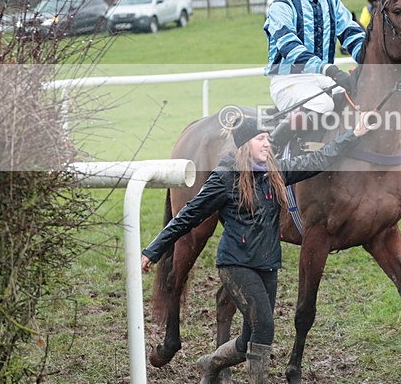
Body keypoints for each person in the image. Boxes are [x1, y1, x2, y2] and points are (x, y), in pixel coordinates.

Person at [141, 111, 375, 384]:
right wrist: (153, 251)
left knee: (249, 338)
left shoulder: (276, 171)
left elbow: (319, 159)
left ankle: (211, 362)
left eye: (267, 138)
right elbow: (188, 214)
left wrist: (354, 133)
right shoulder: (224, 179)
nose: (267, 143)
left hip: (268, 265)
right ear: (244, 145)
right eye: (261, 139)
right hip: (236, 265)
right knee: (265, 328)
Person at [264, 0, 366, 149]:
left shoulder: (331, 2)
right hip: (289, 79)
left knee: (357, 99)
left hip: (322, 78)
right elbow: (290, 47)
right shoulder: (282, 4)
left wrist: (371, 58)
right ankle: (272, 154)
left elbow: (352, 34)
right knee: (322, 104)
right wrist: (329, 69)